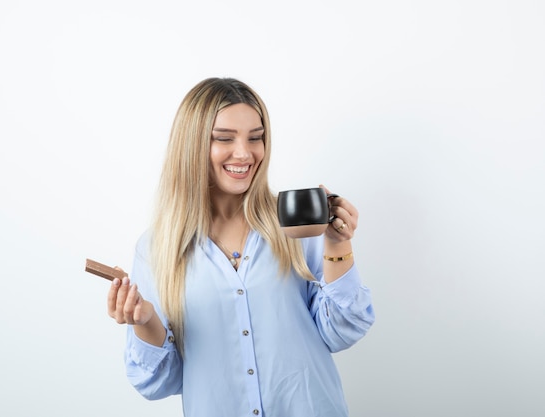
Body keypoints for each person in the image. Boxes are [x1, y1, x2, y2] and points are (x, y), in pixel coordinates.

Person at [107, 77, 374, 417]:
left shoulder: (295, 223)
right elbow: (161, 383)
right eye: (224, 138)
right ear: (192, 145)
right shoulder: (157, 248)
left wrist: (337, 244)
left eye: (256, 138)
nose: (245, 153)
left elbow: (342, 331)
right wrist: (144, 321)